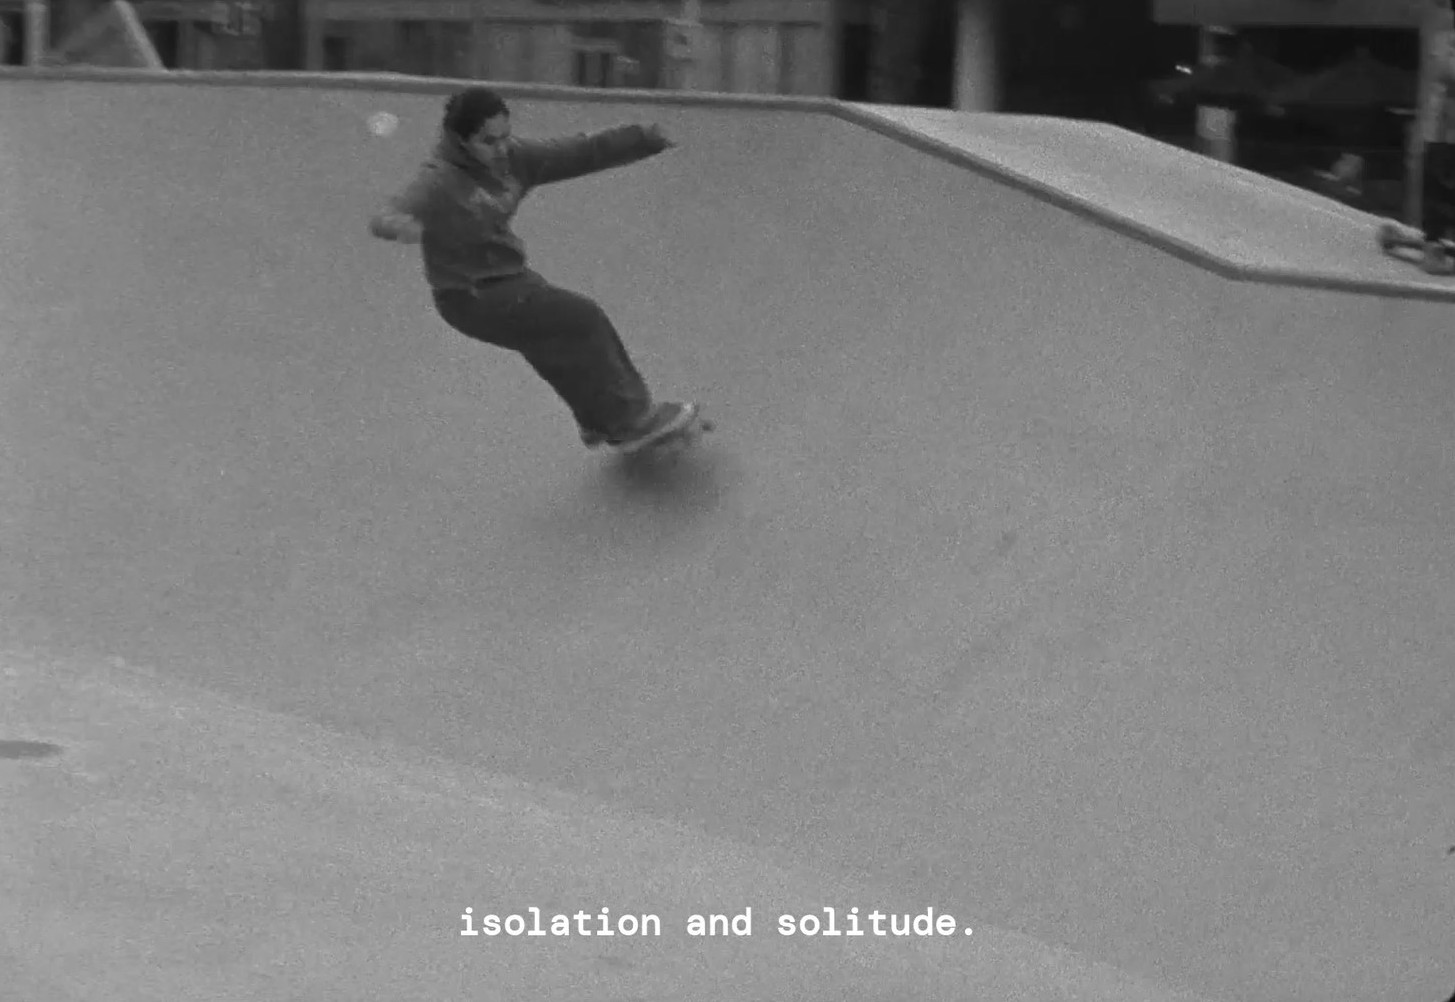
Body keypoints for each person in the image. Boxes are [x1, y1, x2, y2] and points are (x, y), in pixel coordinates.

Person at [369, 85, 696, 450]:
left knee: (551, 346)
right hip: (469, 297)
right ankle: (631, 420)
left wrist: (642, 138)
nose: (500, 150)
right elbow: (389, 212)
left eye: (505, 137)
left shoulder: (515, 158)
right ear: (460, 141)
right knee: (582, 318)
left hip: (511, 280)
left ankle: (598, 420)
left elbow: (579, 152)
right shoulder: (439, 179)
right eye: (488, 142)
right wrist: (397, 224)